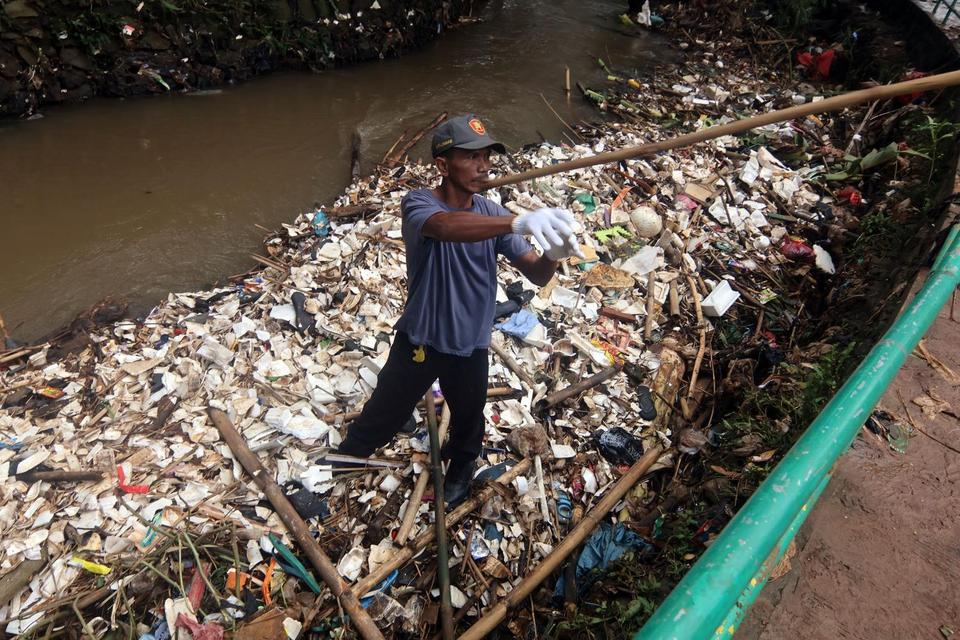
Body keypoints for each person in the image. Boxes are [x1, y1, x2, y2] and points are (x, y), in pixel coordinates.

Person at [335, 115, 581, 505]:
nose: (483, 166)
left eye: (486, 157)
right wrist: (517, 222)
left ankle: (462, 465)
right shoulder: (419, 204)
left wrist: (554, 253)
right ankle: (346, 459)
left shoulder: (493, 212)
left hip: (470, 345)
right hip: (421, 338)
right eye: (471, 157)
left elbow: (535, 273)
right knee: (383, 411)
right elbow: (446, 227)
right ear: (442, 164)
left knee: (469, 418)